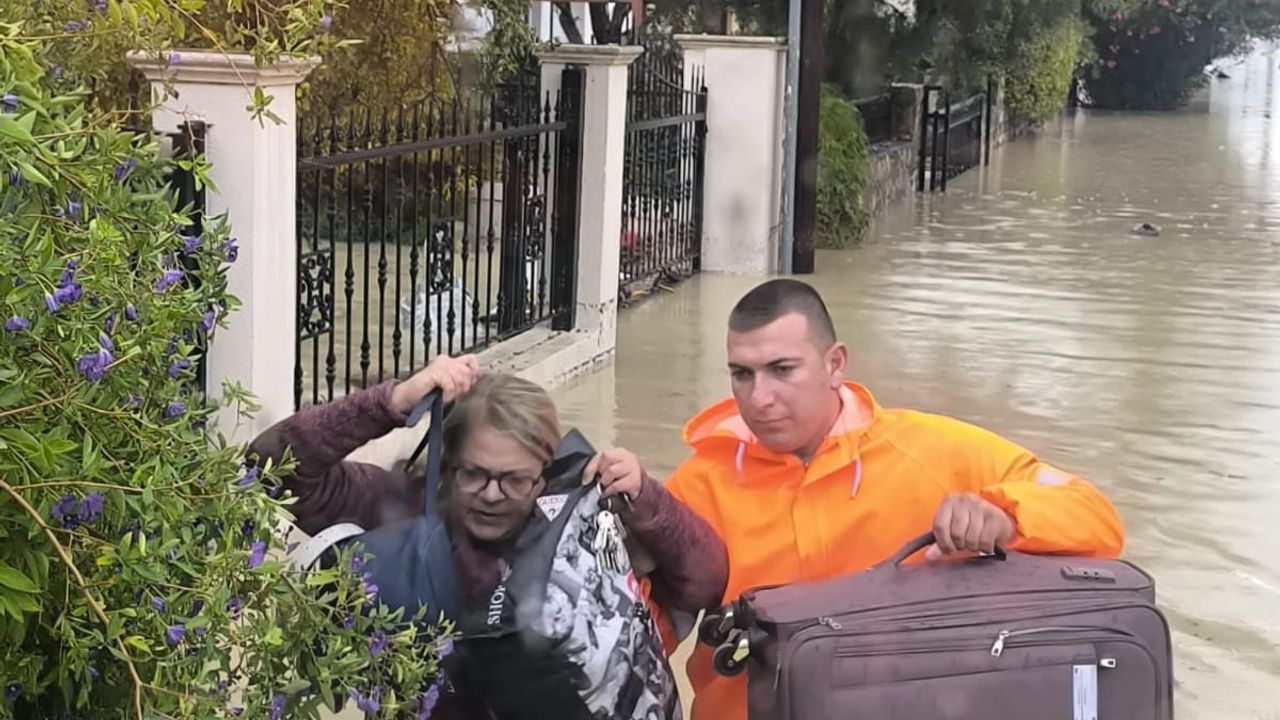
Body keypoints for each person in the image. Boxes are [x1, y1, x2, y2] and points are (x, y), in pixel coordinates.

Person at [662, 278, 1125, 720]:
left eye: (782, 370)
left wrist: (1004, 517)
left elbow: (1095, 517)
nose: (759, 398)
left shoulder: (935, 451)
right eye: (742, 374)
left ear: (835, 365)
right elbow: (645, 627)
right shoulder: (698, 486)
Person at [248, 358, 729, 713]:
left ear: (546, 473)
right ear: (447, 465)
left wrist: (647, 499)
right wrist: (389, 403)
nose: (492, 495)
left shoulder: (587, 524)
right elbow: (270, 470)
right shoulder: (404, 509)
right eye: (474, 474)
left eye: (515, 480)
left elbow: (705, 583)